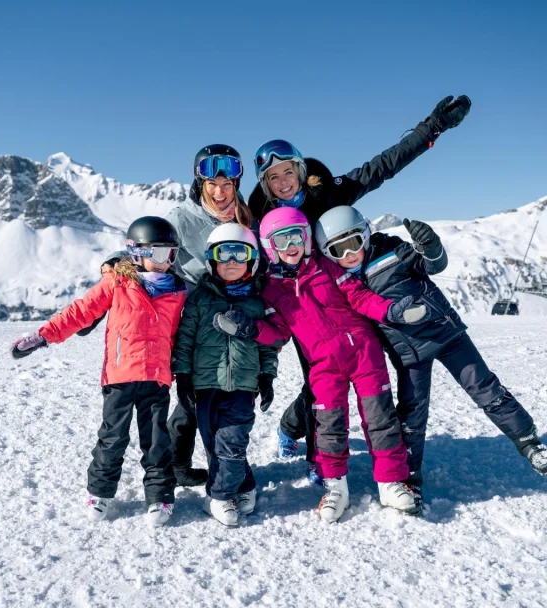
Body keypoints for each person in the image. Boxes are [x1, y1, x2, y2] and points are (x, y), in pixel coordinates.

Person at [247, 96, 472, 481]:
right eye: (273, 178)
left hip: (354, 294)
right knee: (319, 381)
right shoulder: (265, 221)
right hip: (307, 308)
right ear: (266, 187)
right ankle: (314, 454)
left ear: (301, 170)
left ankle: (384, 446)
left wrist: (430, 129)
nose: (283, 182)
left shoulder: (330, 193)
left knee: (371, 371)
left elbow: (381, 167)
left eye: (288, 172)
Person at [314, 205, 547, 511]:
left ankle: (529, 443)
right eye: (337, 250)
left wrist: (432, 247)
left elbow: (432, 265)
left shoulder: (393, 250)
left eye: (354, 242)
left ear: (367, 233)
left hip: (446, 334)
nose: (349, 255)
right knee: (412, 416)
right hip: (408, 354)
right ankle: (409, 479)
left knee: (486, 387)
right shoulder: (343, 283)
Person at [213, 208, 427, 522]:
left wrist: (390, 311)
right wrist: (250, 329)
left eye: (296, 236)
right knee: (329, 425)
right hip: (323, 363)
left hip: (363, 350)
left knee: (380, 417)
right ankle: (336, 486)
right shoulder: (271, 289)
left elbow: (359, 296)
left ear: (307, 238)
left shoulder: (326, 266)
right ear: (270, 246)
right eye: (281, 240)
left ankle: (390, 482)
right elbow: (279, 332)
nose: (291, 246)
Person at [10, 216, 186, 527]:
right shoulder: (117, 284)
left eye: (171, 254)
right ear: (135, 252)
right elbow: (81, 311)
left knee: (158, 440)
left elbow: (178, 336)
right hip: (120, 377)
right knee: (112, 438)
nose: (165, 262)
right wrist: (44, 335)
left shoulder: (177, 292)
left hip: (157, 378)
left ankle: (159, 495)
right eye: (158, 253)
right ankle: (100, 493)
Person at [171, 223, 278, 525]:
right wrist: (183, 376)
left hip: (243, 386)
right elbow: (185, 339)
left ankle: (218, 497)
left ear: (252, 260)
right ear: (212, 260)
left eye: (239, 254)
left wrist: (267, 376)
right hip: (205, 386)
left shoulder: (256, 304)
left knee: (232, 441)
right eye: (224, 254)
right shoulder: (200, 300)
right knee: (213, 444)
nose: (231, 262)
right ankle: (244, 484)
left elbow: (267, 344)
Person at [165, 144, 257, 488]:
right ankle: (177, 463)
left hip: (233, 323)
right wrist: (116, 262)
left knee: (226, 396)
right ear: (200, 185)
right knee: (191, 399)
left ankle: (226, 463)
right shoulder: (182, 218)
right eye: (213, 186)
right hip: (193, 321)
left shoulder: (245, 219)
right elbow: (147, 242)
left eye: (227, 185)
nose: (220, 193)